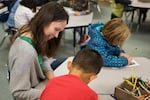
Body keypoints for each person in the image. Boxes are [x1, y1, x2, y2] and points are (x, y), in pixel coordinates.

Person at [8, 2, 69, 100]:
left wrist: (53, 79)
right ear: (45, 21)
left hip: (38, 79)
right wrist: (52, 94)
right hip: (34, 89)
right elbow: (18, 91)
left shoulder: (34, 33)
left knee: (66, 61)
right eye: (56, 29)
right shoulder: (25, 53)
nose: (57, 36)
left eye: (60, 31)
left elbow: (43, 57)